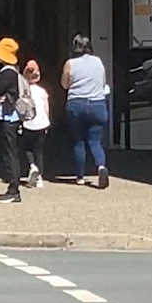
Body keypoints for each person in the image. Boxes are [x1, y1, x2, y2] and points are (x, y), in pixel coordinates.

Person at [61, 34, 110, 188]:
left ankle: (80, 176)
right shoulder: (98, 62)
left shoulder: (70, 63)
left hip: (77, 104)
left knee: (78, 141)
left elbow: (64, 85)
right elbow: (102, 83)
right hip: (97, 104)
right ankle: (101, 166)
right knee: (96, 141)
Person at [0, 37, 22, 203]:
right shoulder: (13, 71)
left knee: (10, 152)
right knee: (11, 150)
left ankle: (13, 189)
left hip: (9, 116)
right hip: (11, 116)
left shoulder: (7, 72)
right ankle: (13, 187)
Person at [21, 60, 50, 188]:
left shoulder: (24, 91)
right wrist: (47, 122)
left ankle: (32, 166)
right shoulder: (42, 91)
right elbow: (46, 108)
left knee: (27, 148)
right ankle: (40, 179)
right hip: (42, 122)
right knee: (39, 151)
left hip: (28, 122)